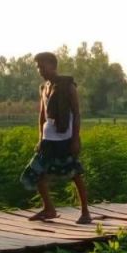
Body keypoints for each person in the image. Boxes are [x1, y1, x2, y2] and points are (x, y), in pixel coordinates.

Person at [20, 52, 92, 224]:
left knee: (74, 173)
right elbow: (42, 116)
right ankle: (49, 209)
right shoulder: (44, 87)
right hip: (48, 139)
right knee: (36, 172)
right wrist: (40, 137)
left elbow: (76, 113)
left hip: (65, 138)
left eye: (42, 66)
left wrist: (75, 139)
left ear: (53, 65)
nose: (40, 70)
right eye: (38, 67)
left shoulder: (68, 86)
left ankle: (85, 212)